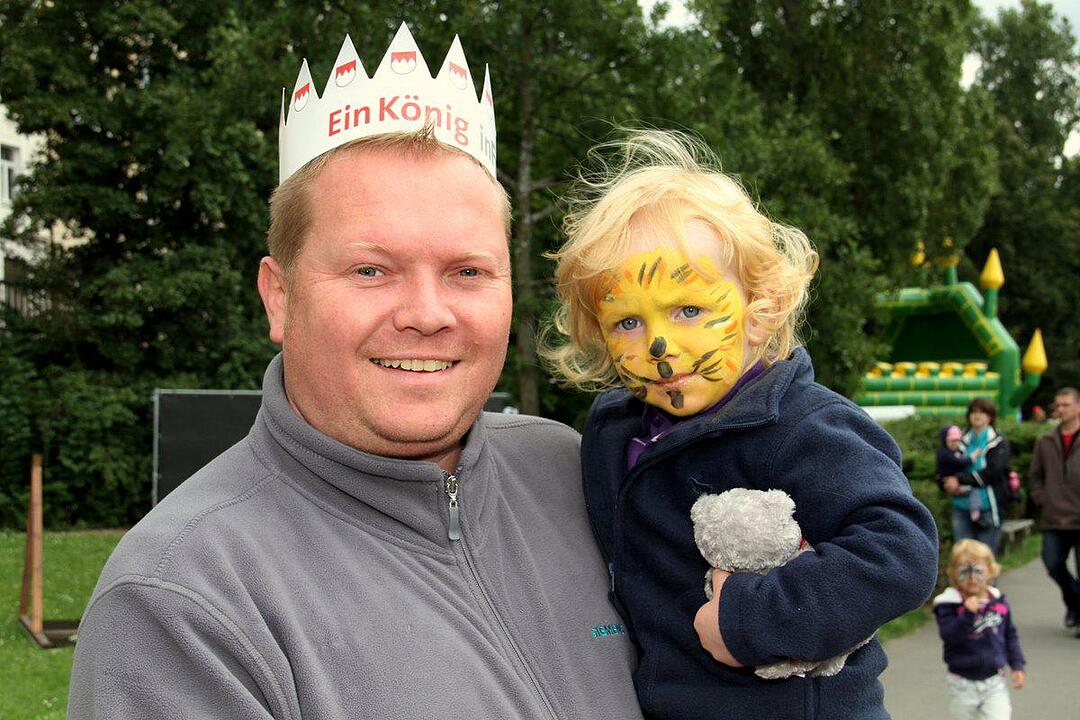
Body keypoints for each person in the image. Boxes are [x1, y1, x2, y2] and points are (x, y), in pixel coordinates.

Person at [68, 26, 643, 719]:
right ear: (280, 297)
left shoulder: (578, 475)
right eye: (371, 270)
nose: (427, 315)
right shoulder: (185, 600)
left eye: (468, 272)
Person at [543, 129, 939, 720]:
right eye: (627, 322)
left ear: (760, 311)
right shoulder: (614, 431)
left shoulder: (803, 426)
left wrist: (752, 621)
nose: (658, 345)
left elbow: (900, 552)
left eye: (689, 310)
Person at [933, 539, 1026, 720]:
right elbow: (949, 635)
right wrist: (967, 614)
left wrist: (1017, 665)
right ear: (954, 573)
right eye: (964, 571)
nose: (972, 578)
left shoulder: (998, 603)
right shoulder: (948, 604)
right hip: (962, 682)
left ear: (990, 571)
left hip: (994, 681)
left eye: (978, 571)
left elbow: (1010, 635)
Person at [1028, 386, 1080, 635]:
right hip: (1054, 516)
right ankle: (1075, 603)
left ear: (1078, 407)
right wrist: (1043, 499)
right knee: (1052, 563)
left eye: (1066, 404)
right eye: (1057, 405)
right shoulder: (1045, 440)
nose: (1060, 409)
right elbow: (1035, 476)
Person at [941, 398, 1011, 552]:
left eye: (982, 412)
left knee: (984, 558)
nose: (977, 416)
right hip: (961, 506)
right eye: (973, 412)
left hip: (988, 507)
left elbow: (992, 473)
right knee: (962, 555)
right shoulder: (959, 439)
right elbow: (944, 465)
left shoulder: (999, 441)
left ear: (990, 416)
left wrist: (959, 479)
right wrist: (946, 482)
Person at [937, 424, 980, 524]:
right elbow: (960, 462)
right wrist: (972, 457)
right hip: (949, 480)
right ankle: (974, 509)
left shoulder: (951, 452)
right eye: (952, 441)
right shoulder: (945, 453)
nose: (955, 444)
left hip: (954, 481)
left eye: (957, 441)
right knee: (973, 490)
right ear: (945, 441)